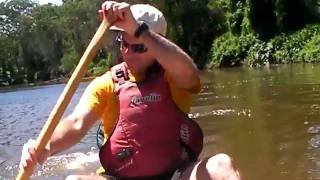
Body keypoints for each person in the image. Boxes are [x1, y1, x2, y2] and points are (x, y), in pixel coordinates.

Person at [19, 1, 242, 180]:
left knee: (222, 165)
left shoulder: (174, 74)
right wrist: (44, 145)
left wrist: (139, 29)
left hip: (177, 174)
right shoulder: (107, 83)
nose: (128, 52)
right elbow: (76, 123)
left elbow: (190, 75)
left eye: (139, 46)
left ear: (158, 43)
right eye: (123, 43)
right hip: (119, 177)